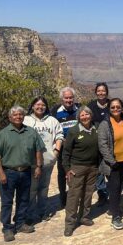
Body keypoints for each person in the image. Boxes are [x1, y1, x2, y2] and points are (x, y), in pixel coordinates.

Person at [0, 105, 45, 242]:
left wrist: (38, 166)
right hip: (8, 172)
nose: (18, 117)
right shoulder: (3, 134)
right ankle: (7, 228)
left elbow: (38, 150)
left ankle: (20, 223)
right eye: (15, 115)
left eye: (20, 114)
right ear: (10, 117)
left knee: (23, 200)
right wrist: (1, 172)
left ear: (24, 116)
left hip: (26, 172)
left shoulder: (31, 132)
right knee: (7, 202)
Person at [98, 98, 123, 230]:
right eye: (113, 107)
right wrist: (111, 161)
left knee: (119, 185)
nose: (116, 109)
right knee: (115, 188)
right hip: (113, 162)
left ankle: (112, 209)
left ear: (122, 108)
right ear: (109, 109)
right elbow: (102, 145)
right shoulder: (105, 124)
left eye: (118, 107)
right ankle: (115, 216)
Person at [24, 96, 64, 224]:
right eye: (37, 105)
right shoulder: (26, 120)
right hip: (31, 162)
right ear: (33, 106)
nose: (40, 107)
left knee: (43, 188)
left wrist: (56, 152)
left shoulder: (52, 121)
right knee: (31, 189)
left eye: (43, 105)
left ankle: (42, 211)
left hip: (48, 160)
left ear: (46, 107)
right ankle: (29, 214)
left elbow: (59, 135)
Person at [62, 106, 99, 236]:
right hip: (77, 167)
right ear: (78, 117)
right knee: (74, 196)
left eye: (87, 114)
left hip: (93, 167)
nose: (85, 117)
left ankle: (84, 217)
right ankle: (70, 224)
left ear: (91, 115)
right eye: (82, 115)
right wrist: (67, 169)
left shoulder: (96, 128)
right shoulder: (74, 131)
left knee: (88, 193)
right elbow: (66, 152)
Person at [50, 87, 80, 208]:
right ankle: (63, 197)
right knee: (62, 173)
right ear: (62, 99)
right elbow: (53, 129)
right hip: (62, 148)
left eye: (71, 97)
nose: (69, 100)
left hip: (77, 148)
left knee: (76, 172)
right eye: (66, 98)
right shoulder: (55, 111)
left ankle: (74, 197)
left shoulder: (79, 109)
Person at [87, 82, 110, 206]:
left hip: (110, 141)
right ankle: (102, 194)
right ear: (96, 92)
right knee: (99, 169)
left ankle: (112, 191)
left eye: (103, 91)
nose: (101, 93)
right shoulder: (90, 106)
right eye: (99, 91)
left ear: (107, 92)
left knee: (110, 165)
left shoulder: (111, 105)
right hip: (95, 141)